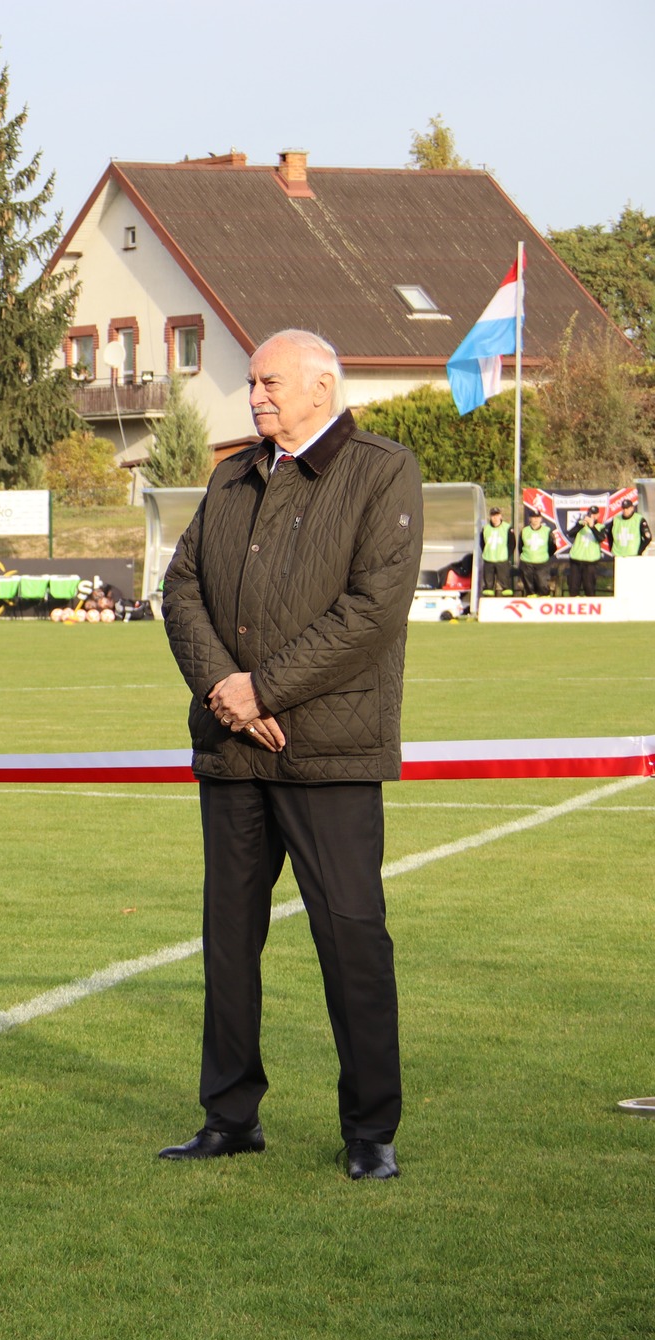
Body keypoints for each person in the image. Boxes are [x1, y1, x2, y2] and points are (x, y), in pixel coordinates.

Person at [160, 329, 422, 1181]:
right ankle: (229, 1115)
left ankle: (369, 1130)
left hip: (331, 751)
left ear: (323, 384)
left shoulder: (383, 471)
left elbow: (372, 611)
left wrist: (263, 689)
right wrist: (226, 692)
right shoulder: (231, 473)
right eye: (251, 382)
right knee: (229, 940)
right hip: (234, 752)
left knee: (351, 937)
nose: (256, 393)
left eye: (270, 381)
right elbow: (183, 585)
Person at [517, 508, 556, 597]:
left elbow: (552, 547)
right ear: (530, 519)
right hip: (527, 562)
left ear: (541, 519)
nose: (535, 520)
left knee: (542, 585)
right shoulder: (524, 531)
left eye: (537, 517)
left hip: (542, 562)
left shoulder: (547, 531)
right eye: (533, 517)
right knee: (529, 587)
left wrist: (544, 556)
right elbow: (520, 546)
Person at [565, 511, 604, 597]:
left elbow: (601, 538)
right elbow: (570, 534)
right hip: (576, 559)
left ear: (598, 515)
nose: (592, 517)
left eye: (594, 514)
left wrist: (592, 527)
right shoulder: (580, 524)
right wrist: (581, 524)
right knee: (573, 586)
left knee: (589, 586)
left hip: (590, 560)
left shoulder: (600, 526)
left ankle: (591, 606)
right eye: (590, 515)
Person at [478, 507, 513, 597]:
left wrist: (507, 555)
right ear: (490, 517)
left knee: (505, 584)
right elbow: (482, 543)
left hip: (502, 559)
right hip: (489, 559)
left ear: (500, 516)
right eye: (493, 516)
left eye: (497, 515)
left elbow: (512, 543)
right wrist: (486, 553)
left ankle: (506, 598)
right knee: (488, 586)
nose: (495, 518)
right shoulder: (485, 528)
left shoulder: (507, 528)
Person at [609, 492, 648, 560]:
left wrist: (639, 551)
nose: (625, 510)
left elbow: (647, 537)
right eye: (623, 508)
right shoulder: (616, 519)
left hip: (633, 555)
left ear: (632, 508)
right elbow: (610, 535)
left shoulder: (639, 519)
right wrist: (612, 549)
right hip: (618, 555)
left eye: (627, 508)